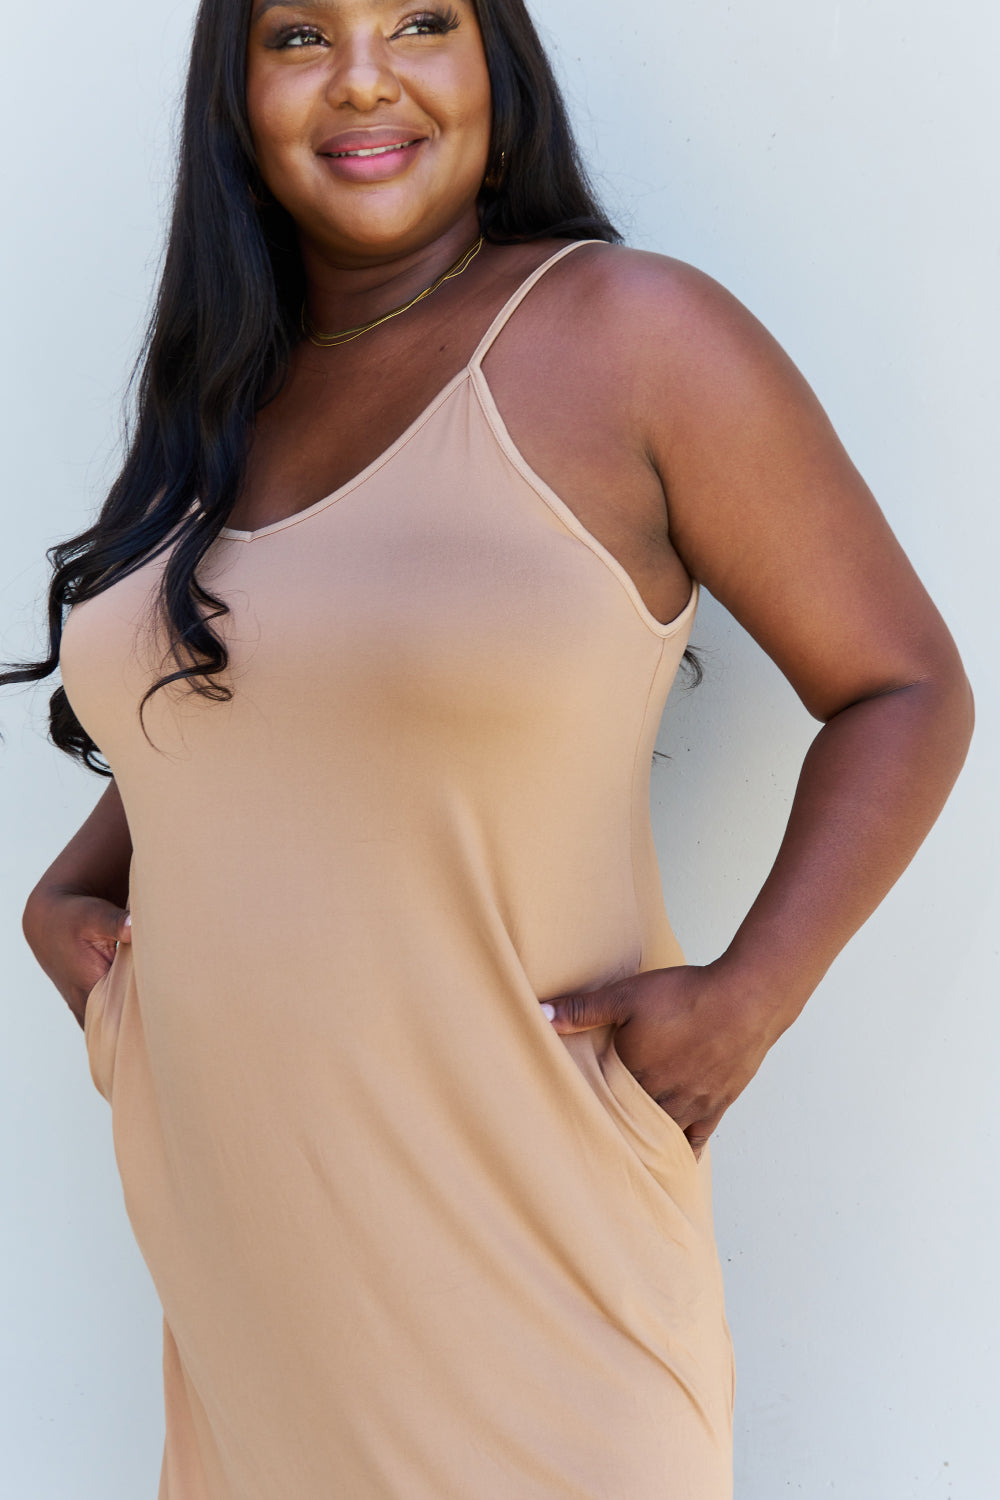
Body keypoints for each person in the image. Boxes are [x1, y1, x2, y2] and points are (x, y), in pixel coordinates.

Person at [4, 0, 973, 1496]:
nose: (365, 77)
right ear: (238, 94)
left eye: (421, 21)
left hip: (533, 1255)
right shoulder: (223, 395)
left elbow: (904, 686)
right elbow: (245, 710)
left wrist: (753, 997)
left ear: (493, 69)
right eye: (298, 37)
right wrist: (71, 899)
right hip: (246, 1278)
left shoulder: (633, 334)